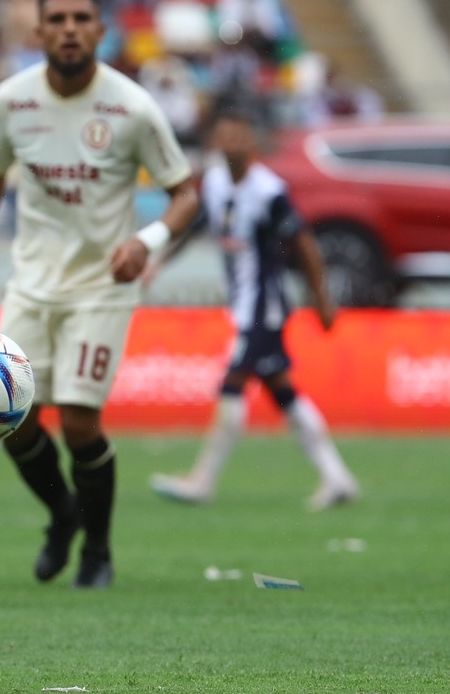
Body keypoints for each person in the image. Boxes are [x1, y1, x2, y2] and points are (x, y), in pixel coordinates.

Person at [0, 0, 200, 590]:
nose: (68, 28)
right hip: (31, 286)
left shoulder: (131, 107)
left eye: (81, 18)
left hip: (100, 287)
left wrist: (147, 242)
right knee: (8, 418)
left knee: (81, 424)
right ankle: (62, 514)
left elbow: (187, 193)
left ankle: (98, 549)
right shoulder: (13, 100)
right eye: (56, 18)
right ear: (37, 31)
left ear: (99, 30)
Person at [149, 109, 359, 509]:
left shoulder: (268, 192)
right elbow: (196, 228)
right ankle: (337, 478)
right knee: (284, 392)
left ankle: (202, 480)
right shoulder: (213, 182)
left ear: (251, 142)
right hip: (242, 307)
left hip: (265, 308)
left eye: (237, 135)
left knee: (232, 383)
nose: (229, 143)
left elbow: (306, 246)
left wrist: (322, 301)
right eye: (223, 135)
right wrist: (158, 262)